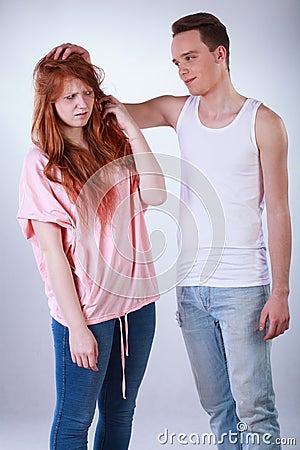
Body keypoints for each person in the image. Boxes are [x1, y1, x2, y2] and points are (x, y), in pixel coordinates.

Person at [48, 11, 291, 449]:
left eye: (190, 58)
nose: (182, 70)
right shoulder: (179, 112)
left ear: (221, 55)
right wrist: (82, 73)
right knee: (218, 408)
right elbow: (110, 112)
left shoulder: (264, 122)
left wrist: (280, 292)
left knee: (255, 410)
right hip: (191, 289)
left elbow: (278, 210)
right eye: (176, 62)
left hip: (244, 287)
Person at [17, 53, 166, 450]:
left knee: (121, 412)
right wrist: (77, 328)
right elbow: (52, 255)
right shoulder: (42, 164)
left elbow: (156, 192)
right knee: (73, 422)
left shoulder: (113, 143)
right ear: (49, 103)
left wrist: (132, 128)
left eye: (86, 93)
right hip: (87, 314)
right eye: (68, 97)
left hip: (137, 306)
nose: (81, 104)